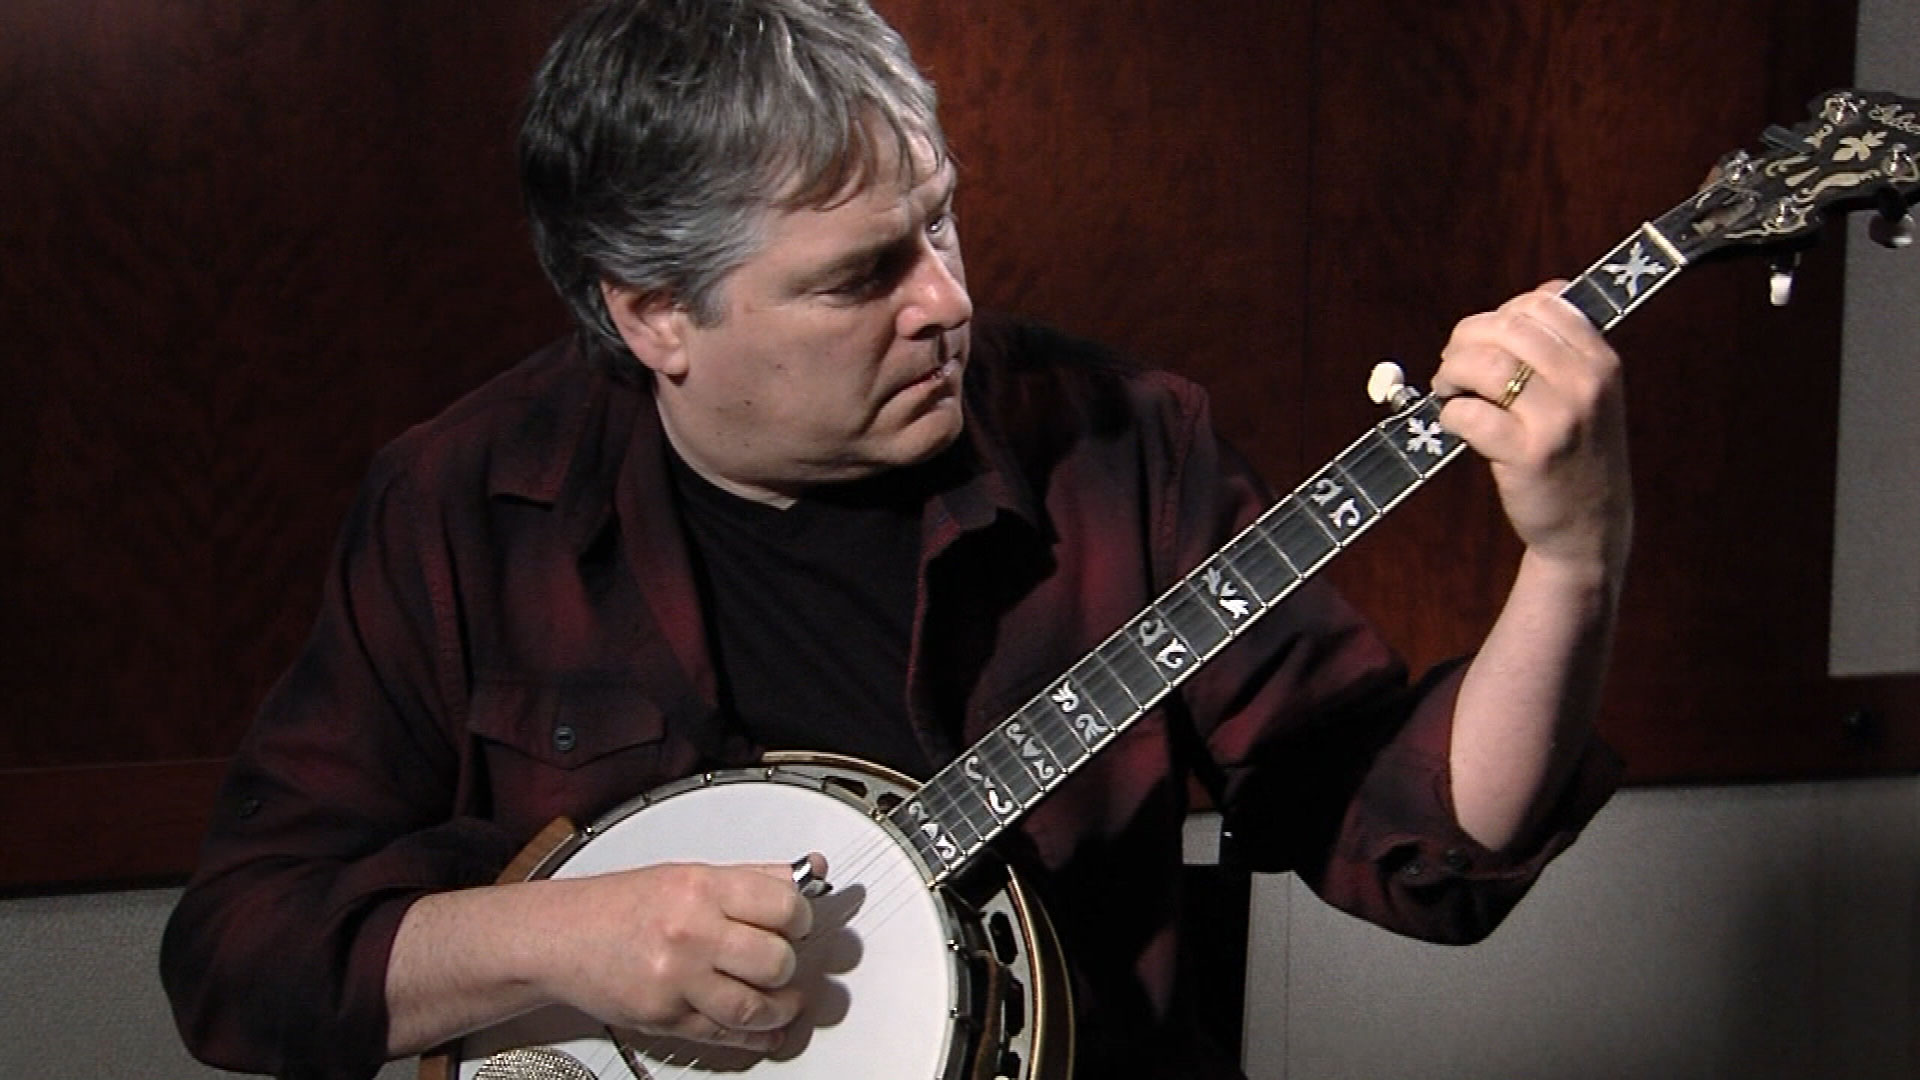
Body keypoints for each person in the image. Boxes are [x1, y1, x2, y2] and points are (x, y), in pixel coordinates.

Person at [160, 0, 1630, 1077]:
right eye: (860, 275)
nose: (943, 299)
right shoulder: (467, 506)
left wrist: (1574, 559)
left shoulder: (1126, 449)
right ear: (654, 314)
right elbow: (241, 960)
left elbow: (1417, 843)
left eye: (940, 224)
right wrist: (562, 940)